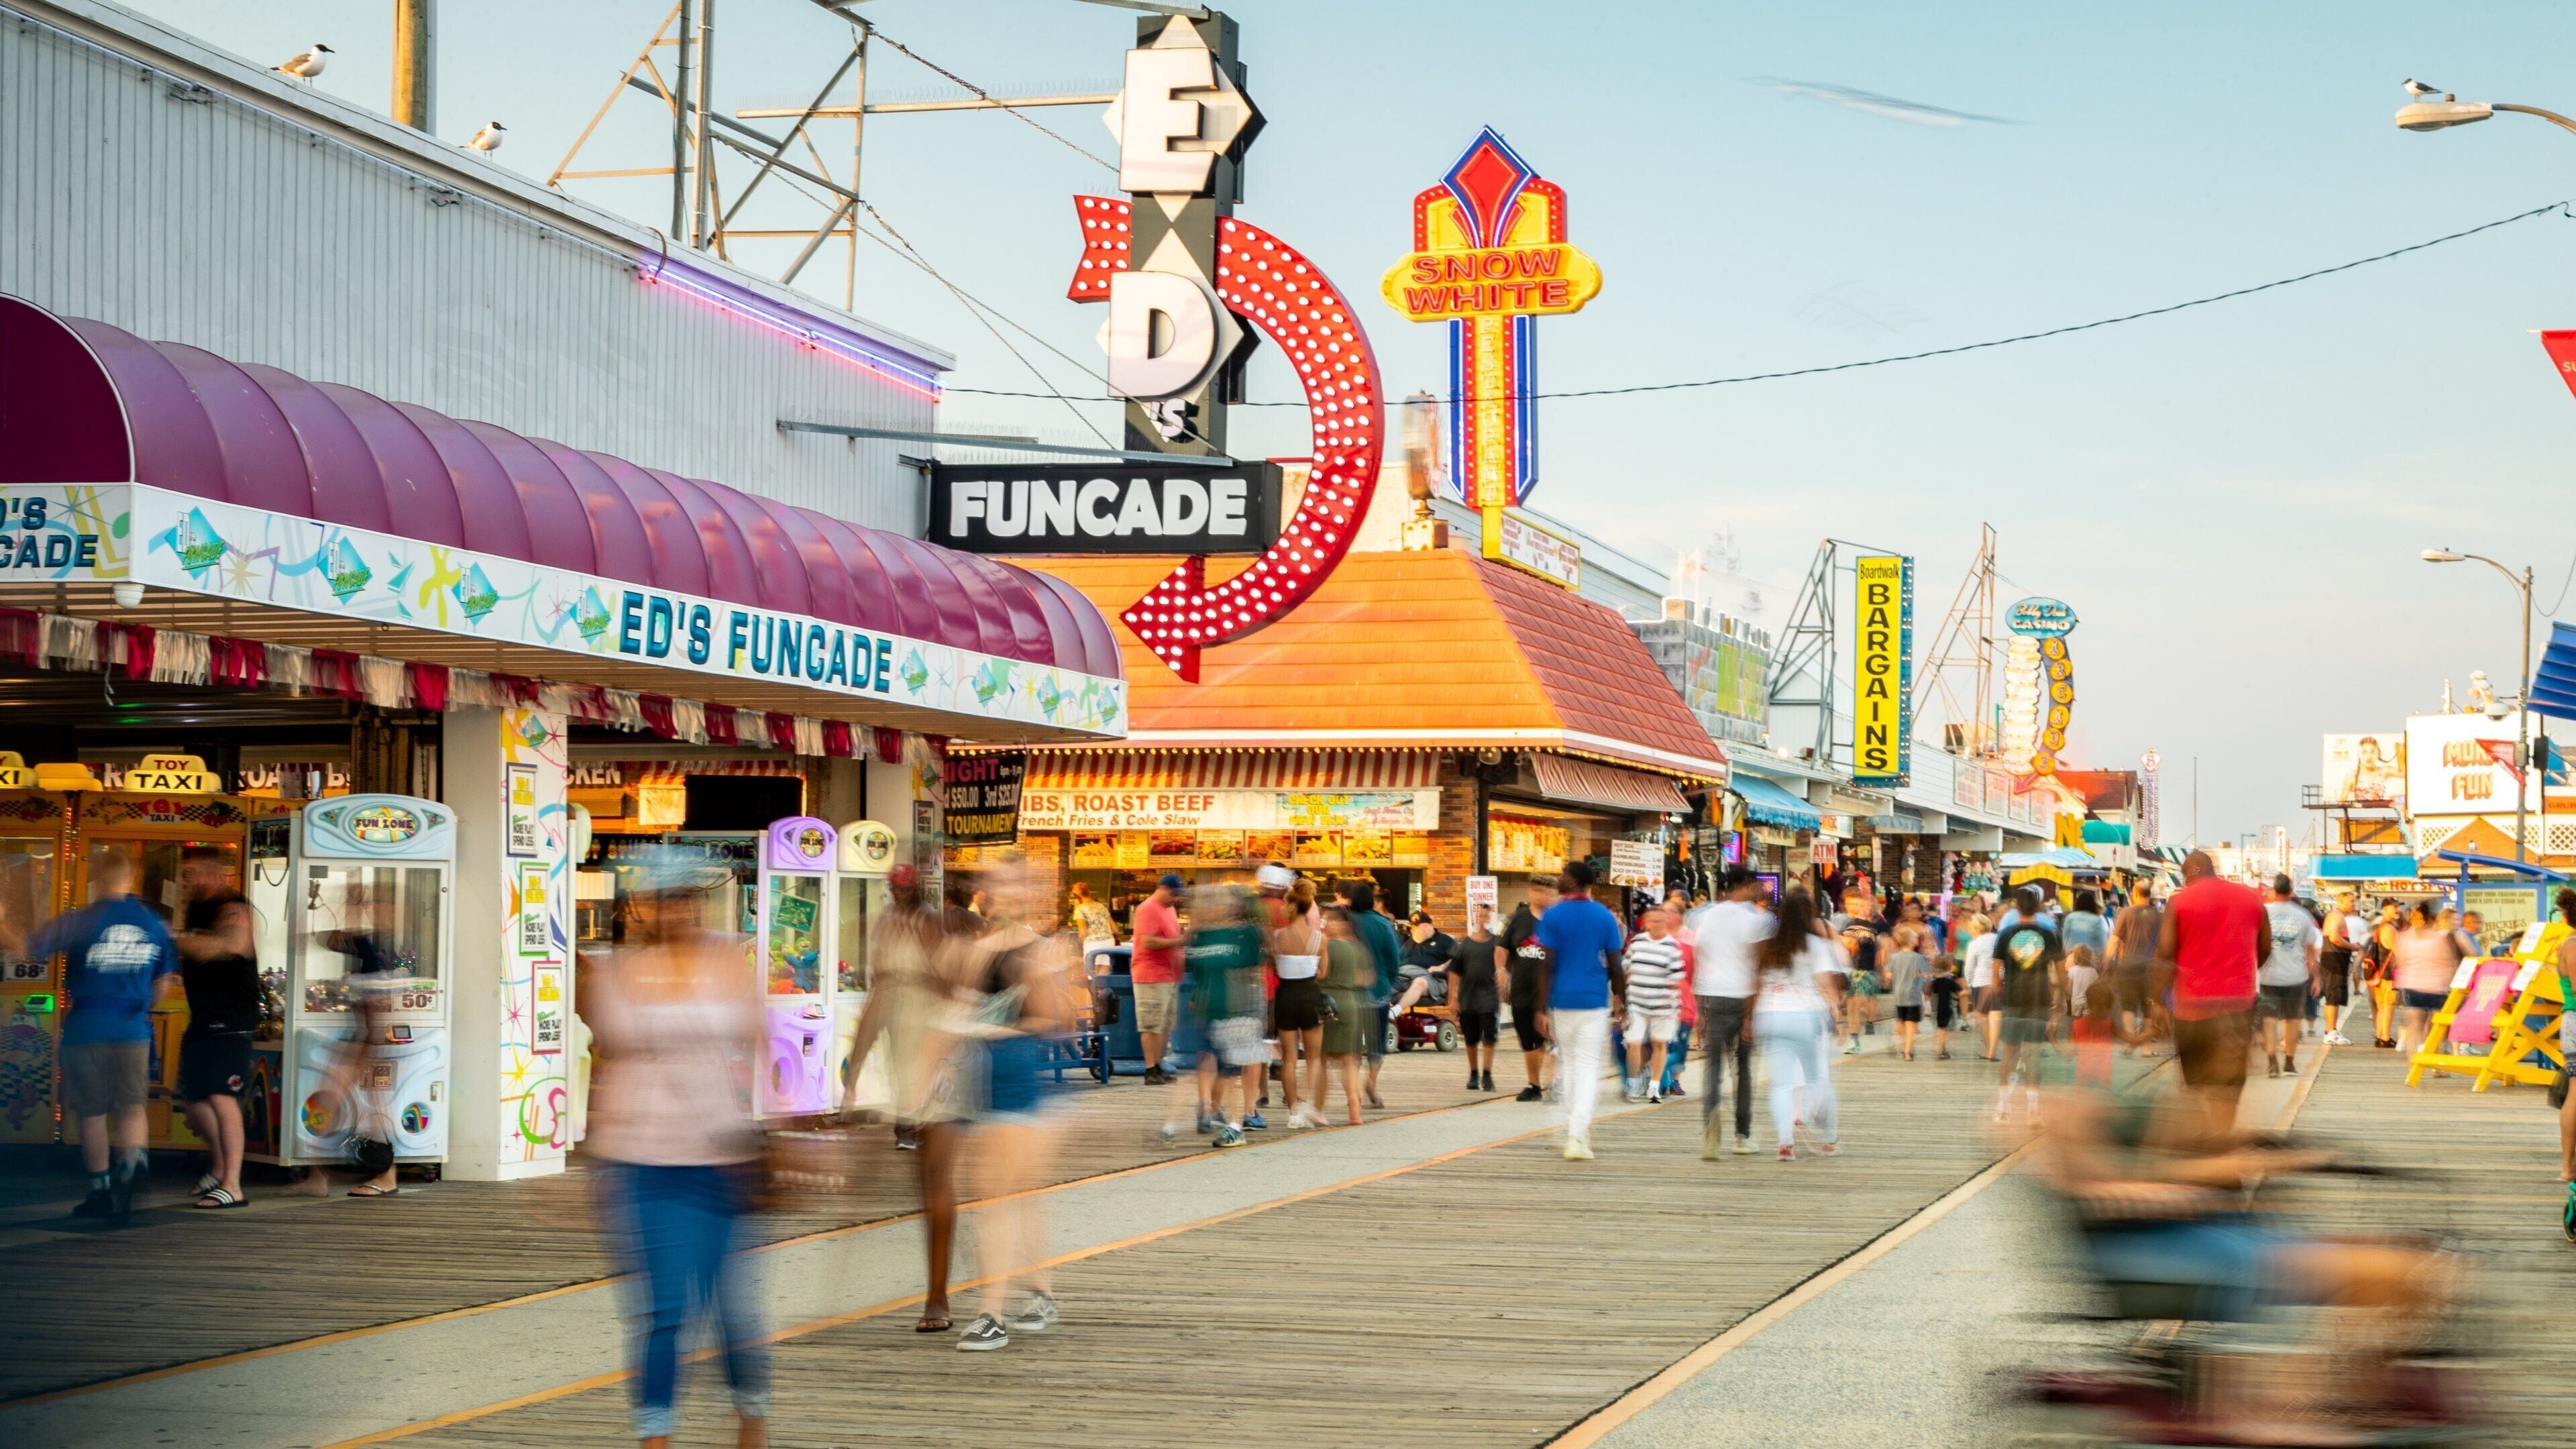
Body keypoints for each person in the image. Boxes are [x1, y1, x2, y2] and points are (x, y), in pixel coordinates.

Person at [580, 847, 769, 1449]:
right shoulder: (613, 972)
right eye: (667, 899)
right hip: (638, 1158)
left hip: (721, 1157)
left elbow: (764, 1043)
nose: (681, 909)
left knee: (729, 1309)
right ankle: (654, 1439)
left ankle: (752, 1422)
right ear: (643, 907)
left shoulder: (727, 959)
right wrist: (590, 1155)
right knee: (663, 1312)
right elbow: (603, 1059)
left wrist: (786, 1133)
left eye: (689, 897)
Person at [0, 849, 177, 1219]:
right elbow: (166, 981)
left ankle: (100, 1190)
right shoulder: (154, 924)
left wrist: (3, 921)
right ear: (131, 878)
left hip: (86, 1029)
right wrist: (142, 1003)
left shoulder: (81, 921)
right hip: (133, 1029)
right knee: (132, 1107)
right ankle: (133, 1164)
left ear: (97, 879)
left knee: (92, 1113)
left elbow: (25, 949)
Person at [953, 868, 1077, 1352]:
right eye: (1000, 885)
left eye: (1018, 885)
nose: (1007, 893)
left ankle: (992, 1313)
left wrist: (998, 1027)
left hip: (1015, 1079)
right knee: (1016, 1194)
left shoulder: (1036, 951)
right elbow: (961, 1008)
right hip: (983, 1077)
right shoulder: (978, 951)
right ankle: (1041, 1294)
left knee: (995, 1197)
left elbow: (1054, 1019)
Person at [843, 865, 966, 1332]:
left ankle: (939, 1297)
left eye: (903, 887)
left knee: (937, 1176)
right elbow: (878, 996)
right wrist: (853, 1070)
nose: (897, 893)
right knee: (925, 1180)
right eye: (891, 888)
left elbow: (958, 994)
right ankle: (939, 1289)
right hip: (906, 1062)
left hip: (941, 1058)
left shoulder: (937, 925)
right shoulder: (888, 926)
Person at [2158, 849, 2269, 1136]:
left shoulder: (2179, 902)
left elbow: (2165, 953)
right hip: (2237, 1007)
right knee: (2229, 1086)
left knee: (2196, 1083)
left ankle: (2202, 1140)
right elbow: (2265, 949)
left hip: (2192, 1007)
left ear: (2191, 871)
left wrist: (2157, 1001)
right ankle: (2220, 1138)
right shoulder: (2251, 899)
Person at [174, 846, 258, 1209]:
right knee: (194, 1103)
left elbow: (228, 946)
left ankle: (233, 1185)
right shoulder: (195, 908)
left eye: (192, 874)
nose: (186, 881)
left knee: (223, 1098)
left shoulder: (233, 906)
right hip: (203, 1016)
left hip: (231, 1018)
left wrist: (177, 938)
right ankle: (220, 1166)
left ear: (213, 874)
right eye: (184, 875)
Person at [1533, 861, 1626, 1160]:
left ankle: (1577, 1131)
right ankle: (1577, 1134)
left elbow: (1546, 964)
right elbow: (1615, 964)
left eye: (1564, 875)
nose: (1559, 879)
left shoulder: (1552, 916)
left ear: (1575, 881)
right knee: (1587, 1069)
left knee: (1572, 1067)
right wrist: (1621, 997)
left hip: (1561, 1001)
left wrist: (1541, 1008)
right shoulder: (1604, 917)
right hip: (1594, 1001)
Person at [1169, 885, 1267, 1147]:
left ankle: (1235, 1124)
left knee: (1231, 1070)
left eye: (1220, 902)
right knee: (1207, 1062)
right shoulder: (1200, 936)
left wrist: (1254, 1009)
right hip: (1206, 1008)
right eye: (1209, 903)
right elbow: (1192, 968)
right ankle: (1208, 1110)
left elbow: (1255, 969)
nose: (1214, 907)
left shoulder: (1246, 933)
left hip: (1237, 1010)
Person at [1751, 888, 1842, 1161]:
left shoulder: (1768, 945)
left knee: (1781, 1084)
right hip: (1807, 1016)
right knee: (1816, 1079)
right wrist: (1837, 1020)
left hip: (1771, 1015)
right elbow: (1826, 985)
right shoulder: (1816, 945)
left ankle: (1785, 1143)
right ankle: (1828, 1139)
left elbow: (1756, 983)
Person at [1686, 868, 1766, 1159]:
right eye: (1754, 885)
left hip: (1712, 997)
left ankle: (1711, 1125)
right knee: (1743, 1067)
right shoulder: (1755, 920)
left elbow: (1698, 961)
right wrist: (1751, 1016)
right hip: (1743, 997)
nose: (1758, 890)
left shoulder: (1703, 916)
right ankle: (1742, 1135)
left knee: (1713, 1067)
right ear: (1741, 886)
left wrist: (1700, 1009)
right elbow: (1758, 967)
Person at [1994, 887, 2064, 1123]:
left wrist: (2002, 992)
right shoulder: (2049, 934)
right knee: (2032, 1055)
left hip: (2012, 1000)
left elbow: (1996, 976)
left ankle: (2003, 1108)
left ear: (2016, 908)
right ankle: (2033, 1111)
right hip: (2039, 1001)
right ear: (2038, 908)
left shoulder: (2005, 934)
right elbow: (2062, 975)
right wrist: (2061, 1002)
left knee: (2010, 1053)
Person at [1265, 872, 1328, 1126]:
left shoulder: (1278, 938)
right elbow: (1324, 972)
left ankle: (1293, 1113)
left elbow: (1272, 965)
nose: (1282, 909)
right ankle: (1312, 1106)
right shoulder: (1320, 939)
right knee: (1314, 1057)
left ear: (1293, 906)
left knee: (1288, 1058)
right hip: (1310, 995)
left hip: (1286, 997)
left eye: (1285, 904)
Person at [1341, 882, 1404, 1110]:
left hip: (1349, 992)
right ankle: (1372, 1084)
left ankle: (1354, 1092)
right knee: (1376, 1042)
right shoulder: (1382, 923)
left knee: (1353, 1044)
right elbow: (1395, 959)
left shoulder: (1346, 923)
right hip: (1378, 990)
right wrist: (1388, 980)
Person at [2257, 875, 2321, 1079]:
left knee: (2269, 1020)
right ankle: (2290, 1064)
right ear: (2291, 891)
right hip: (2295, 976)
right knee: (2292, 1021)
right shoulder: (2303, 915)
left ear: (2274, 891)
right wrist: (2316, 978)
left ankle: (2271, 1062)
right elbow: (2311, 951)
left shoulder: (2263, 913)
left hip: (2268, 976)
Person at [1619, 906, 1686, 1102]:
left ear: (1666, 922)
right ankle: (1633, 1083)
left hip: (1662, 1008)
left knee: (1659, 1043)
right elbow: (1626, 967)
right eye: (1652, 921)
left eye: (1660, 921)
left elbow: (1676, 980)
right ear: (1646, 922)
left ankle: (1654, 1086)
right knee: (1634, 1043)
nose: (1656, 924)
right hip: (1637, 1004)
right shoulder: (1637, 941)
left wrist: (1664, 1001)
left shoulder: (1672, 946)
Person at [1317, 906, 1374, 1126]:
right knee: (1350, 1060)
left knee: (1321, 1058)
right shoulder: (1360, 949)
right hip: (1352, 1003)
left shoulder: (1325, 945)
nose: (1326, 923)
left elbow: (1320, 973)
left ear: (1342, 924)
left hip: (1327, 1002)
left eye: (1329, 920)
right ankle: (1355, 1110)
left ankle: (1319, 1109)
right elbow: (1366, 979)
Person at [1503, 876, 1558, 1102]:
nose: (1541, 895)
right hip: (1522, 988)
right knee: (1528, 1040)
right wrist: (1502, 973)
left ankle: (1555, 1082)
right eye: (1537, 890)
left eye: (1546, 891)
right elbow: (1503, 948)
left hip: (1553, 989)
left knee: (1550, 1038)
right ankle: (1534, 1085)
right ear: (1529, 891)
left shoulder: (1558, 919)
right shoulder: (1519, 919)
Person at [2390, 901, 2467, 1062]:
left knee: (2415, 1030)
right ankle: (2435, 1067)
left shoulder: (2406, 936)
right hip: (2439, 988)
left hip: (2412, 987)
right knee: (2437, 1031)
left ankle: (2413, 1066)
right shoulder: (2443, 936)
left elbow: (2399, 962)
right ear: (2433, 919)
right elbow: (2464, 956)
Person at [1128, 875, 1186, 1086]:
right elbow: (1148, 941)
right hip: (1151, 974)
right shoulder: (1147, 908)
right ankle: (1149, 1067)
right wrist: (1180, 941)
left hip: (1169, 975)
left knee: (1164, 1024)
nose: (1175, 899)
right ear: (1161, 888)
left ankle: (1159, 1064)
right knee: (1151, 1023)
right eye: (1173, 893)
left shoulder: (1169, 909)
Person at [1448, 906, 1503, 1093]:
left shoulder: (1497, 943)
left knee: (1489, 1037)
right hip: (1468, 997)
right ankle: (1473, 1074)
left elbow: (1505, 967)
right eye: (1481, 914)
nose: (1484, 918)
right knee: (1471, 1038)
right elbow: (1454, 973)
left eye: (1487, 915)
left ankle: (1487, 1074)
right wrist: (1453, 999)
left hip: (1489, 996)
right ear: (1475, 917)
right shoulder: (1465, 944)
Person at [2110, 882, 2166, 1051]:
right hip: (2151, 968)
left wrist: (2107, 961)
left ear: (2134, 893)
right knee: (2148, 1008)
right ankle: (2146, 1048)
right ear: (2149, 895)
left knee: (2129, 1006)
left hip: (2127, 967)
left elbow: (2115, 940)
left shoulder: (2125, 913)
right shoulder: (2159, 916)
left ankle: (2130, 1040)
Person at [1387, 910, 1456, 1018]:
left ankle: (1394, 1012)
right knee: (1382, 982)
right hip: (1404, 976)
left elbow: (1458, 957)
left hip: (1431, 978)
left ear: (1426, 927)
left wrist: (1443, 967)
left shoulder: (1445, 940)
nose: (1411, 931)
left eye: (1414, 928)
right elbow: (1398, 958)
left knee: (1419, 982)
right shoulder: (1410, 941)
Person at [2318, 891, 2361, 1047]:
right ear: (2341, 902)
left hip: (2334, 957)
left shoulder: (2336, 916)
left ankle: (2331, 1030)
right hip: (2333, 958)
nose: (2354, 904)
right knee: (2333, 995)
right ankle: (2331, 1032)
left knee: (2333, 995)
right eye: (2351, 901)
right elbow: (2334, 937)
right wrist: (2352, 947)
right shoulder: (2337, 916)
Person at [1886, 924, 1929, 1063]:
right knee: (1911, 1024)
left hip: (1899, 996)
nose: (1917, 938)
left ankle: (1905, 1046)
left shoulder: (1894, 957)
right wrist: (1920, 975)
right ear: (1911, 941)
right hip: (1914, 995)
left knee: (1904, 1023)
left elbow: (1888, 976)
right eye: (1915, 937)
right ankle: (1908, 1051)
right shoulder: (1918, 958)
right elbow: (1928, 975)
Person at [1962, 913, 2002, 1061]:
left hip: (1980, 982)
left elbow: (1969, 967)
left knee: (1984, 1018)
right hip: (1998, 982)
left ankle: (1988, 1050)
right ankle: (1993, 1051)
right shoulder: (1998, 939)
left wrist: (1969, 983)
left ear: (1975, 928)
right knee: (1996, 1017)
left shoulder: (1974, 944)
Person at [2365, 900, 2404, 1048]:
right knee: (2388, 1006)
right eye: (2394, 907)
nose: (2398, 909)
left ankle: (2381, 1035)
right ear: (2384, 909)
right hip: (2388, 975)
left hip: (2379, 974)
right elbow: (2398, 951)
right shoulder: (2389, 928)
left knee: (2382, 1006)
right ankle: (2386, 1038)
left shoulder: (2380, 927)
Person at [1066, 881, 1117, 961]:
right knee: (1104, 970)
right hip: (1109, 942)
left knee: (1091, 971)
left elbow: (1083, 933)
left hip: (1093, 943)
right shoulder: (1101, 906)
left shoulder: (1081, 909)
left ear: (1077, 896)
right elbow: (1115, 929)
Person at [1927, 953, 1963, 1061]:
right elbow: (1959, 993)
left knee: (1941, 1029)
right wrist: (1967, 993)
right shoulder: (1950, 982)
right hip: (1947, 1009)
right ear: (1948, 968)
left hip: (1937, 1010)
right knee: (1946, 1030)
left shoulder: (1935, 983)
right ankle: (1941, 1049)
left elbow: (1932, 992)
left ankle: (1941, 1046)